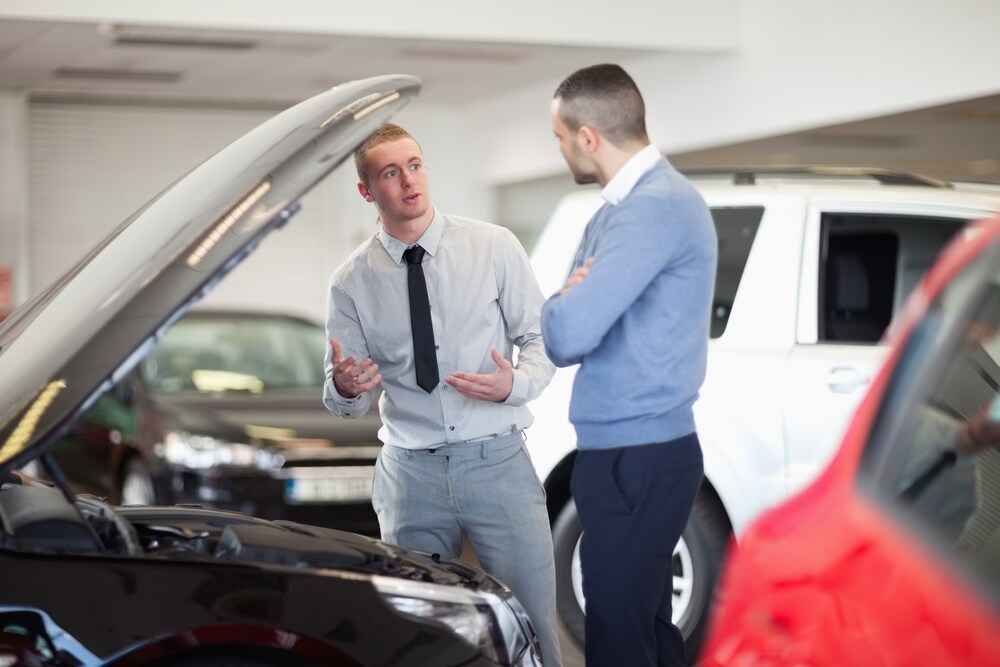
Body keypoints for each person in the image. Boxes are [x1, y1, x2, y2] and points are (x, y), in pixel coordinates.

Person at [322, 123, 561, 666]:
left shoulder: (493, 246)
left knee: (532, 623)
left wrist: (515, 385)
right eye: (390, 172)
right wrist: (342, 386)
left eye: (415, 164)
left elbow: (541, 338)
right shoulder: (350, 282)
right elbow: (346, 394)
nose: (409, 181)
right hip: (411, 476)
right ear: (367, 192)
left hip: (497, 462)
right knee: (415, 633)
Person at [540, 64, 718, 667]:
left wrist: (565, 301)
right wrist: (571, 299)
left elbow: (569, 333)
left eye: (560, 137)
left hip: (637, 459)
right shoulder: (616, 211)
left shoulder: (653, 208)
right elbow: (573, 316)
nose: (560, 148)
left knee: (619, 638)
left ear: (588, 136)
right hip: (627, 454)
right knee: (643, 629)